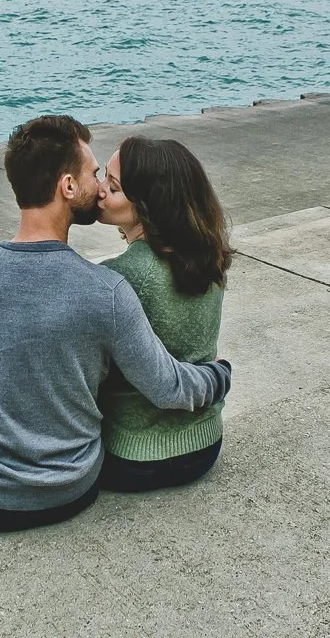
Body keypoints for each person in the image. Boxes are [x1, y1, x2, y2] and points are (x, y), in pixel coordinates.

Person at [0, 114, 232, 532]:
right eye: (95, 174)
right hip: (72, 488)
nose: (100, 186)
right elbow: (167, 384)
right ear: (69, 186)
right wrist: (219, 374)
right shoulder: (106, 289)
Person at [96, 136, 233, 492]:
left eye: (113, 187)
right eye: (103, 177)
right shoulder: (209, 259)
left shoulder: (122, 275)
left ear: (146, 205)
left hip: (134, 456)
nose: (100, 190)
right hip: (205, 444)